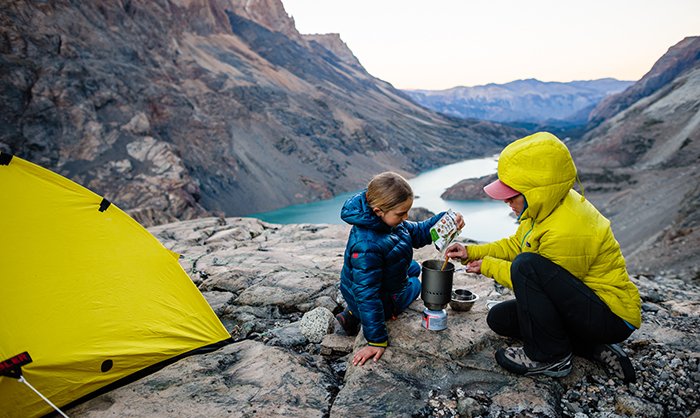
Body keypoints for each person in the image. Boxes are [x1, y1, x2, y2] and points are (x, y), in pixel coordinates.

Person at [445, 132, 641, 383]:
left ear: (535, 190)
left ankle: (551, 358)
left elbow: (535, 278)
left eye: (512, 194)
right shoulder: (546, 205)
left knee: (526, 266)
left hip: (610, 315)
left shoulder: (569, 227)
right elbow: (518, 245)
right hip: (580, 303)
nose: (506, 201)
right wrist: (472, 252)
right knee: (500, 319)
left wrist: (489, 266)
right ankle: (590, 347)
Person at [336, 171, 463, 366]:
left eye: (407, 212)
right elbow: (367, 295)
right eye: (401, 213)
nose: (405, 217)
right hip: (375, 300)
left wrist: (445, 220)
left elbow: (419, 233)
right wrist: (376, 341)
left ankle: (352, 314)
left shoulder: (388, 221)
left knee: (412, 267)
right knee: (416, 283)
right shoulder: (366, 246)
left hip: (358, 291)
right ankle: (357, 313)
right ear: (379, 211)